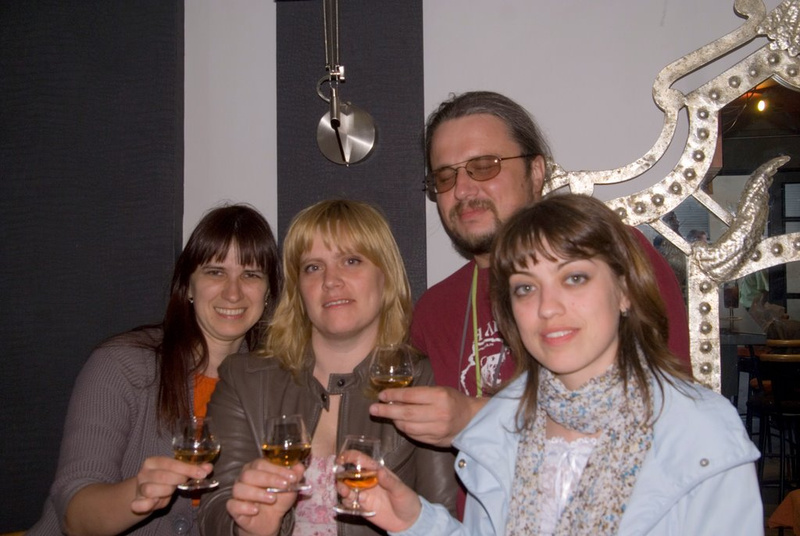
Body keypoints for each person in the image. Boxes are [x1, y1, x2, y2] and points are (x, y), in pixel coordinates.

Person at [351, 193, 762, 536]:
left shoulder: (699, 433)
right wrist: (416, 521)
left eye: (574, 278)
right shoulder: (501, 425)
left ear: (624, 290)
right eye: (526, 288)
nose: (547, 307)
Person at [371, 90, 690, 449]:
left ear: (535, 172)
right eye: (445, 177)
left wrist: (478, 417)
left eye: (484, 166)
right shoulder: (434, 310)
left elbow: (670, 410)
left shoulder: (610, 256)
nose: (461, 190)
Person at [198, 199, 457, 536]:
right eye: (313, 267)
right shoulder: (243, 379)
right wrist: (248, 529)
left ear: (386, 277)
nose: (331, 280)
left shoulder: (422, 382)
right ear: (297, 290)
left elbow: (442, 518)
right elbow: (215, 511)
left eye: (351, 261)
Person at [27, 204, 282, 536]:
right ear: (188, 285)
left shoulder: (276, 385)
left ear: (268, 291)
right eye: (215, 271)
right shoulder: (121, 365)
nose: (233, 292)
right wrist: (138, 494)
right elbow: (75, 516)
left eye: (251, 275)